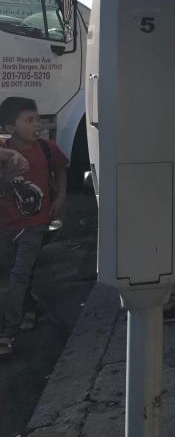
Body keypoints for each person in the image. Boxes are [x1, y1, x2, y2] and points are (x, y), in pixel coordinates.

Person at [0, 97, 68, 358]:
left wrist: (61, 197)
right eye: (28, 121)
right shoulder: (5, 151)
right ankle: (30, 307)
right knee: (13, 275)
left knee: (18, 275)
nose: (36, 125)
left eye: (37, 119)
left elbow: (61, 170)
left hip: (34, 226)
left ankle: (7, 333)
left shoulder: (47, 148)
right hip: (7, 226)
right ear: (9, 126)